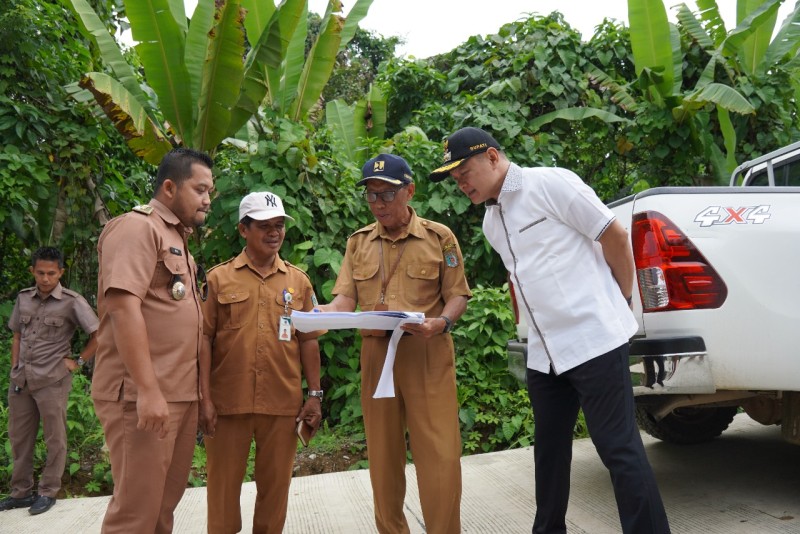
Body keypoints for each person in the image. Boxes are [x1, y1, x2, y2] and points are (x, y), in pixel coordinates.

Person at [429, 127, 671, 534]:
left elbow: (613, 233)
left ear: (491, 157)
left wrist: (620, 300)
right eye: (454, 178)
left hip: (593, 340)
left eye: (464, 171)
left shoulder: (549, 184)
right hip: (545, 353)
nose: (461, 183)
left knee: (618, 449)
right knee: (549, 454)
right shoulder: (491, 221)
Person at [318, 153, 471, 534]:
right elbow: (345, 300)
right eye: (371, 196)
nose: (378, 204)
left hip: (427, 352)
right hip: (376, 355)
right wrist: (321, 313)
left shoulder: (439, 237)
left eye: (386, 195)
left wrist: (442, 322)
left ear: (409, 191)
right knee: (383, 457)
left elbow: (458, 295)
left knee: (439, 456)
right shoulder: (359, 243)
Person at [92, 147, 214, 533]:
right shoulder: (136, 228)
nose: (208, 199)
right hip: (143, 397)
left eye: (211, 191)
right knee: (136, 515)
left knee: (162, 509)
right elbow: (123, 307)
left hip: (178, 395)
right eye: (200, 189)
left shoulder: (176, 237)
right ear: (168, 187)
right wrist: (147, 390)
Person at [198, 191, 324, 534]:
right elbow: (203, 341)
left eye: (279, 225)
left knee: (275, 491)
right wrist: (204, 400)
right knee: (222, 491)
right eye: (265, 226)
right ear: (243, 230)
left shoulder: (298, 281)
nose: (274, 232)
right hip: (227, 404)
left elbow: (309, 340)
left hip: (282, 404)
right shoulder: (218, 279)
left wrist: (314, 394)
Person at [2, 247, 98, 516]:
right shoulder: (23, 299)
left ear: (61, 273)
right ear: (32, 271)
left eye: (51, 273)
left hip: (52, 380)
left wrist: (77, 362)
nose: (45, 279)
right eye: (40, 273)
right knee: (20, 438)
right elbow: (17, 337)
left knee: (55, 438)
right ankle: (20, 493)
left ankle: (47, 491)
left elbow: (99, 334)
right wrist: (14, 368)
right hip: (21, 380)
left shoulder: (72, 301)